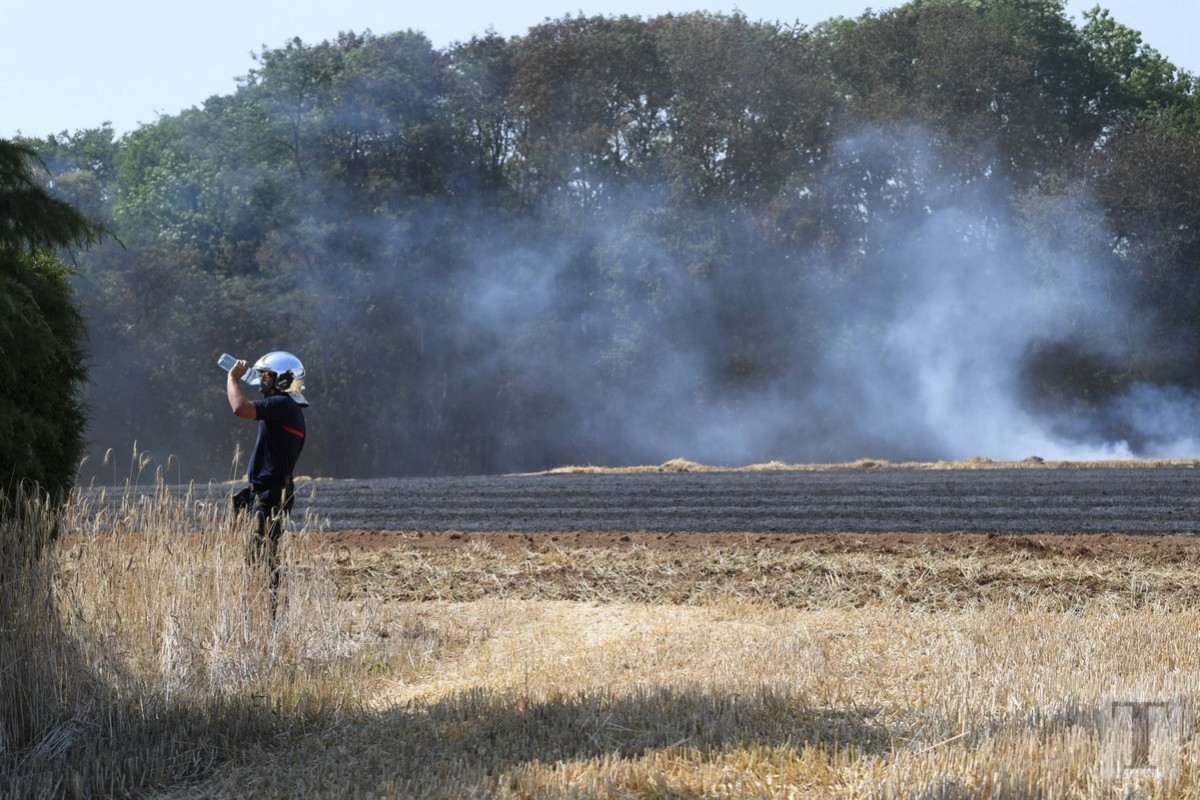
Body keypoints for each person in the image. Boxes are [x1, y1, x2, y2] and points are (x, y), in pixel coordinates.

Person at [226, 351, 308, 601]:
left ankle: (266, 612)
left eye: (268, 376)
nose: (262, 380)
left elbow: (240, 408)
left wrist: (232, 378)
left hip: (268, 494)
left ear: (283, 380)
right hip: (271, 492)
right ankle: (266, 612)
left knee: (261, 556)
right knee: (264, 556)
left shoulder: (283, 405)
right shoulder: (288, 410)